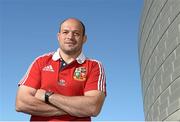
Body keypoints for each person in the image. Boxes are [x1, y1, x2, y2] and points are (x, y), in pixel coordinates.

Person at [15, 18, 106, 121]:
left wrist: (47, 96)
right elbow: (21, 103)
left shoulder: (94, 66)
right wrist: (74, 109)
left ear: (84, 39)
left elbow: (93, 107)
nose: (70, 37)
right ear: (58, 36)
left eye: (76, 33)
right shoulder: (40, 61)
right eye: (65, 32)